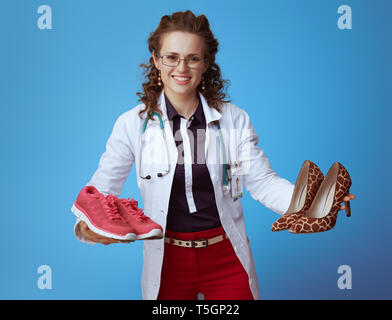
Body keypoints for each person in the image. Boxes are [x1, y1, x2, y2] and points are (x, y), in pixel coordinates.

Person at [74, 10, 355, 300]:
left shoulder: (233, 119)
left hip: (225, 255)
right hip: (167, 258)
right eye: (171, 57)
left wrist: (311, 200)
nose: (181, 67)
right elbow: (101, 192)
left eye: (193, 58)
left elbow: (262, 182)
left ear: (206, 63)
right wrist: (90, 228)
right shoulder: (132, 124)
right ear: (156, 60)